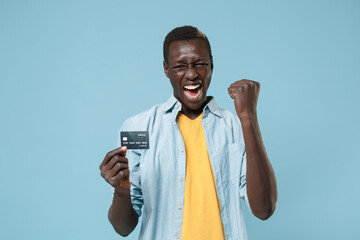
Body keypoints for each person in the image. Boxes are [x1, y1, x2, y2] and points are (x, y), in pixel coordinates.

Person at [100, 26, 277, 240]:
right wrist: (121, 189)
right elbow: (123, 228)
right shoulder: (138, 129)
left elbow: (264, 209)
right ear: (166, 69)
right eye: (180, 66)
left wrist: (248, 116)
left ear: (212, 64)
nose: (192, 74)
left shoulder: (235, 127)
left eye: (200, 64)